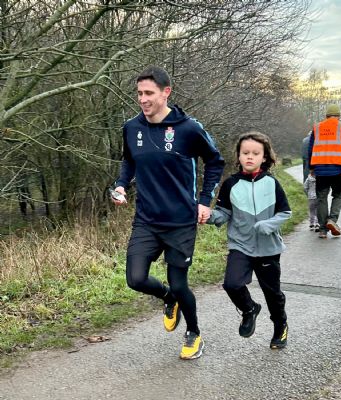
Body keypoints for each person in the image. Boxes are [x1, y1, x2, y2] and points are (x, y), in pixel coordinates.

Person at [112, 66, 224, 360]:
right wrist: (121, 184)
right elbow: (129, 161)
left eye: (149, 93)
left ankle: (194, 333)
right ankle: (168, 298)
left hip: (180, 221)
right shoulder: (131, 127)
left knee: (179, 283)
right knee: (135, 279)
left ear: (166, 93)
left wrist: (204, 201)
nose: (143, 99)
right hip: (146, 220)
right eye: (139, 93)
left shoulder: (188, 128)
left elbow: (215, 161)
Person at [207, 131, 291, 349]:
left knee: (272, 293)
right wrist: (209, 216)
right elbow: (223, 213)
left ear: (264, 157)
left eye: (255, 153)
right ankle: (249, 309)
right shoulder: (230, 184)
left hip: (268, 248)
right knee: (232, 284)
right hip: (240, 245)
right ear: (239, 156)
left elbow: (285, 212)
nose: (250, 157)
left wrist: (268, 225)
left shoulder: (272, 183)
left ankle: (280, 326)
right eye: (245, 153)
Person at [308, 104, 341, 239]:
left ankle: (323, 230)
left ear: (326, 116)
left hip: (320, 170)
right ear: (339, 116)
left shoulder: (317, 127)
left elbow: (310, 149)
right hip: (337, 169)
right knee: (338, 195)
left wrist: (311, 167)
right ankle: (332, 220)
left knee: (321, 198)